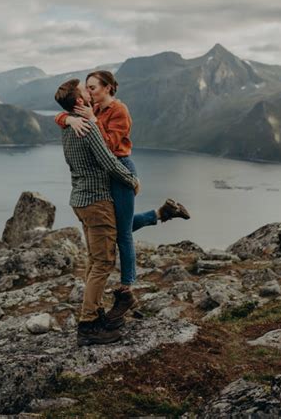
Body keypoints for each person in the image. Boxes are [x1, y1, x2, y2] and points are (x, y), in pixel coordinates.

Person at [55, 70, 190, 292]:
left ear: (107, 87)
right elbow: (60, 115)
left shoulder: (119, 110)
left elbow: (107, 145)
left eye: (93, 87)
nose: (89, 92)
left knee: (122, 233)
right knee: (115, 227)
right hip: (104, 173)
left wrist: (92, 120)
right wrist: (68, 118)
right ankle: (161, 213)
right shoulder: (93, 108)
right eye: (86, 88)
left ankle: (127, 285)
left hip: (120, 169)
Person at [55, 78, 142, 347]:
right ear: (80, 101)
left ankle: (93, 313)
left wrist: (67, 119)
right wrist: (131, 180)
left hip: (79, 201)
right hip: (97, 202)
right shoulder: (89, 127)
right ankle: (89, 325)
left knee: (93, 261)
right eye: (85, 89)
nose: (89, 92)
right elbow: (109, 163)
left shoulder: (69, 127)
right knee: (103, 263)